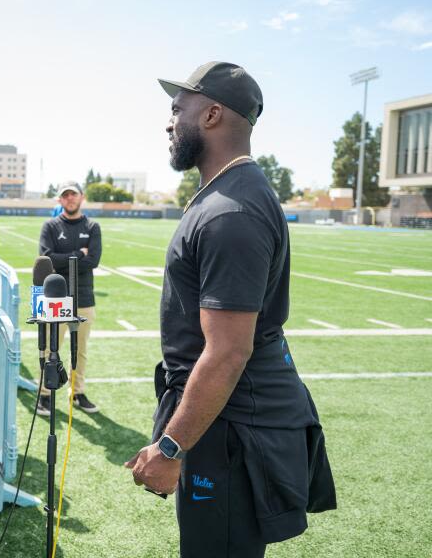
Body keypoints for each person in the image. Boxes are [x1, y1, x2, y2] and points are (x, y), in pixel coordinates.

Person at [125, 62, 336, 558]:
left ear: (214, 114)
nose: (169, 121)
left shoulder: (231, 211)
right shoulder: (223, 196)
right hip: (226, 419)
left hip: (234, 430)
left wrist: (171, 446)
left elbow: (227, 352)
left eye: (178, 109)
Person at [36, 181, 102, 415]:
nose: (70, 199)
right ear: (60, 200)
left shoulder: (92, 226)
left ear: (81, 197)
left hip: (83, 297)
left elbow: (92, 261)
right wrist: (77, 255)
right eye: (65, 196)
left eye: (73, 194)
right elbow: (47, 259)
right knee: (50, 349)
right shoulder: (51, 226)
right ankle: (44, 394)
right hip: (54, 298)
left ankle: (77, 392)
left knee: (80, 349)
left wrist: (65, 258)